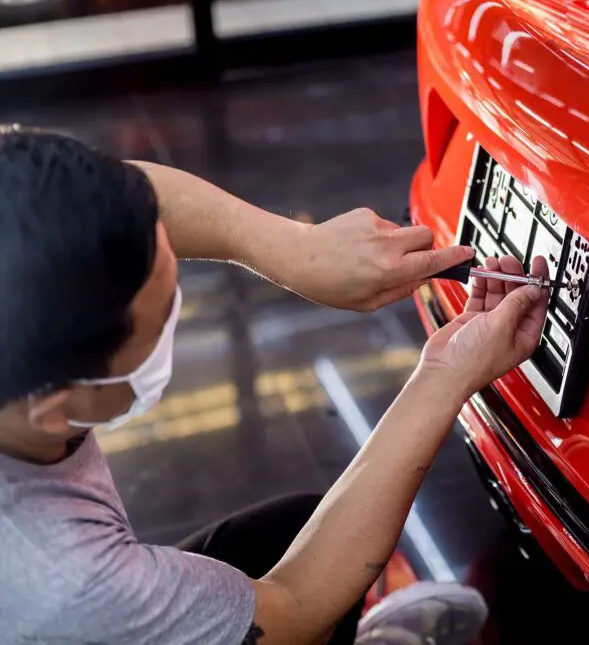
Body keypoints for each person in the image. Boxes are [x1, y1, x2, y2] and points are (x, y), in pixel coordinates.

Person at [0, 127, 550, 645]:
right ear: (54, 409)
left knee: (288, 531)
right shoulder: (70, 583)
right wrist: (444, 376)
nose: (177, 316)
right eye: (163, 319)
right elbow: (294, 611)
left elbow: (129, 204)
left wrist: (292, 249)